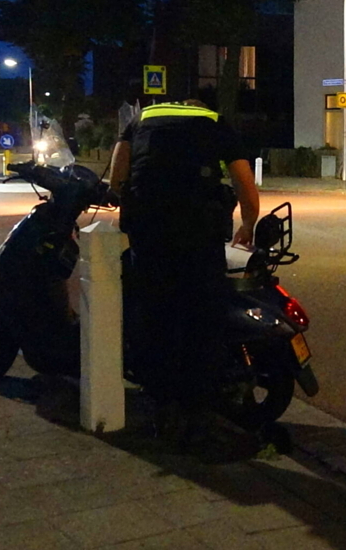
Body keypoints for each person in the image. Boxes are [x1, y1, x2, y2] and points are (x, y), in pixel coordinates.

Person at [108, 98, 259, 441]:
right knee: (202, 317)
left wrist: (119, 196)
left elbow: (119, 167)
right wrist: (249, 223)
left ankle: (162, 405)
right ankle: (198, 407)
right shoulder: (214, 120)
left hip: (150, 232)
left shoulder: (142, 118)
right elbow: (242, 181)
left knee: (153, 313)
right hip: (199, 234)